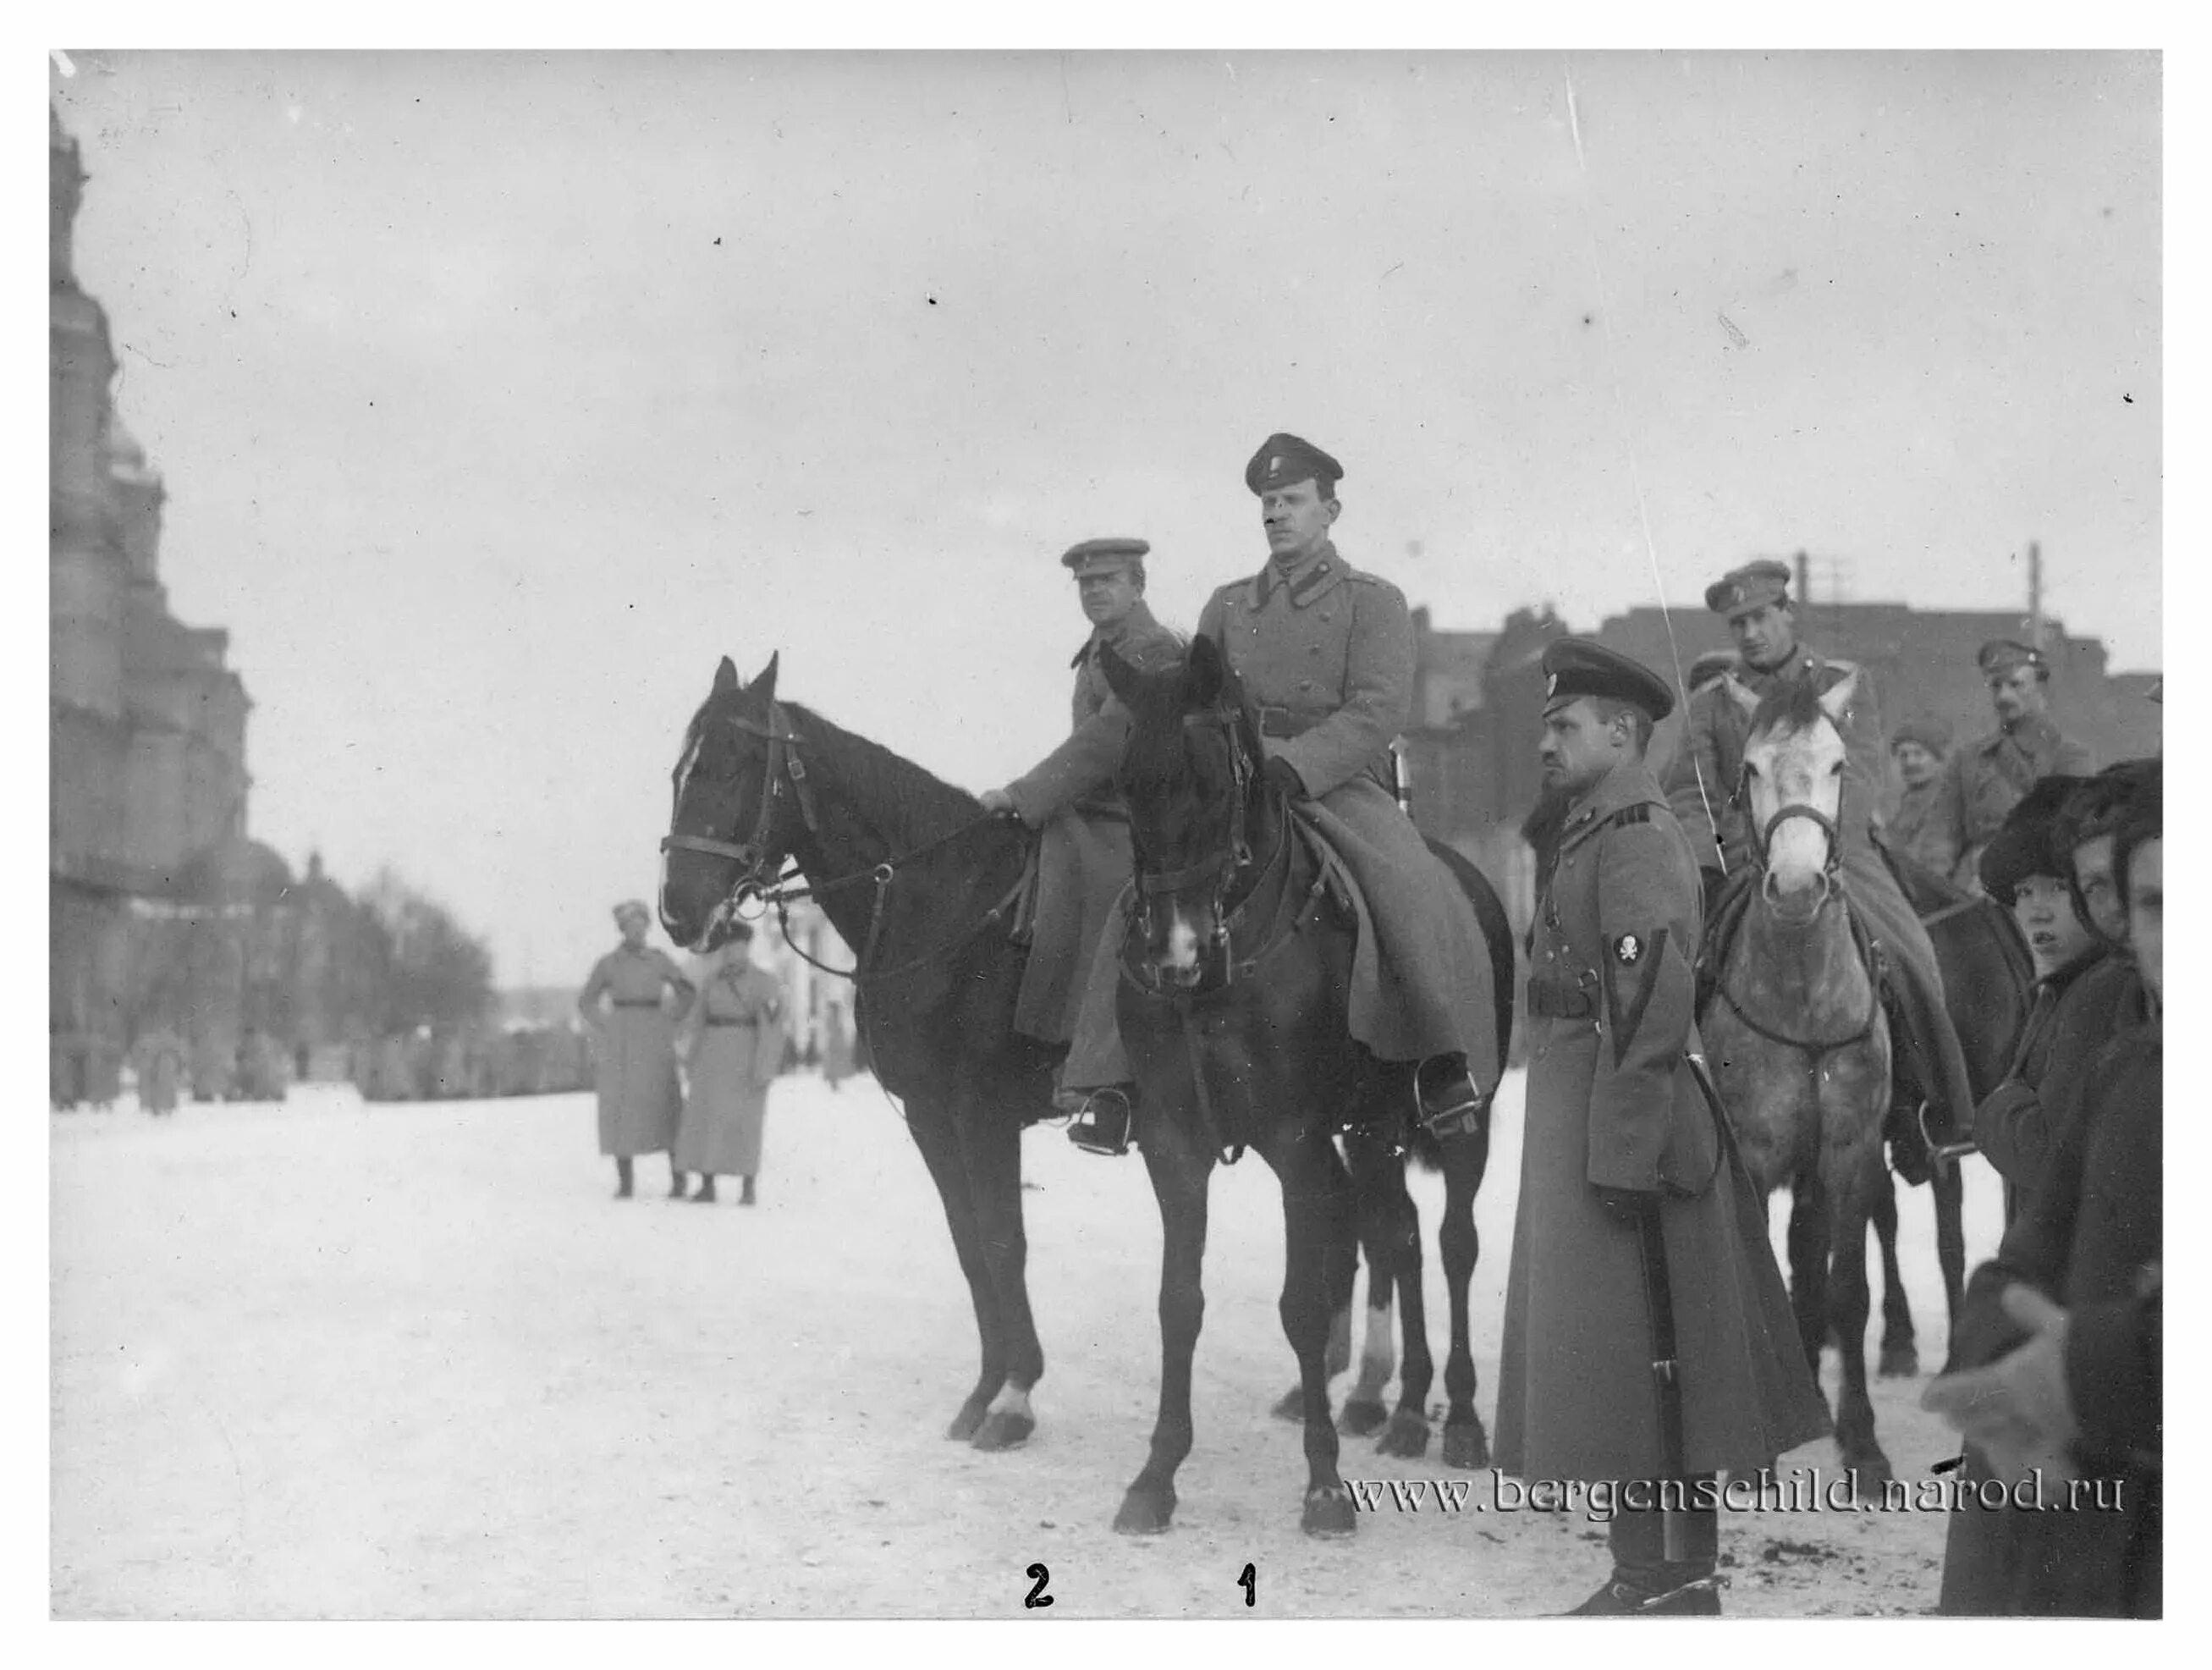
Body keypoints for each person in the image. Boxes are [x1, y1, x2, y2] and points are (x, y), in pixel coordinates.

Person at [1499, 638, 1828, 1617]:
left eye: (1565, 727)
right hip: (1587, 1105)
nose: (1548, 744)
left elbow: (1648, 999)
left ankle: (1676, 1579)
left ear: (1622, 732)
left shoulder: (1636, 830)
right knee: (1619, 1357)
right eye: (1547, 727)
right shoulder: (1589, 825)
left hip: (1628, 1116)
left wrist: (1625, 1147)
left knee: (1660, 1360)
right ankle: (1646, 1570)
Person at [1057, 433, 1498, 1149]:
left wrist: (1295, 764)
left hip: (1338, 780)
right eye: (1267, 503)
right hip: (1237, 783)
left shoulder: (1374, 601)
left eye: (1291, 501)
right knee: (1141, 896)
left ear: (1330, 510)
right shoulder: (1227, 606)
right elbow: (1183, 700)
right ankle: (1112, 1081)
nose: (1276, 514)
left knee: (1403, 879)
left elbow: (1376, 710)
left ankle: (1438, 1060)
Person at [1924, 769, 2160, 1617]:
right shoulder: (2080, 1006)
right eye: (2024, 892)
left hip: (2088, 1365)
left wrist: (1991, 1108)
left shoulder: (2099, 998)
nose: (2040, 910)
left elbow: (2049, 1152)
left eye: (2063, 890)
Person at [1662, 558, 1977, 1153]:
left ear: (1788, 612)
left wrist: (1815, 842)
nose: (1751, 633)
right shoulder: (1711, 704)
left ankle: (1934, 1106)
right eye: (1738, 624)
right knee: (1684, 971)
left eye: (1760, 617)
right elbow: (1689, 789)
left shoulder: (1841, 683)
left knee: (1910, 952)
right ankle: (1680, 1121)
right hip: (1742, 861)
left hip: (1838, 853)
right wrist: (1715, 856)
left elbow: (1857, 775)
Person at [975, 537, 1182, 1155]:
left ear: (1138, 585)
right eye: (1086, 583)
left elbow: (1107, 740)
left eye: (1109, 580)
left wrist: (1021, 792)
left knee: (1092, 885)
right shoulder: (1101, 649)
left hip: (1141, 817)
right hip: (1093, 807)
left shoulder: (1153, 650)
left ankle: (1092, 1071)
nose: (1095, 590)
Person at [1927, 639, 2094, 891]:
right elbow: (1941, 836)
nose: (2004, 696)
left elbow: (2071, 835)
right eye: (1996, 686)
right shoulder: (1968, 758)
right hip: (1972, 889)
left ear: (2041, 688)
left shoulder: (2069, 756)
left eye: (2016, 685)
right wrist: (1933, 889)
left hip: (2041, 887)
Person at [578, 900, 696, 1199]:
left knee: (666, 1103)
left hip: (655, 1037)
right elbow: (587, 1000)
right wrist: (606, 1025)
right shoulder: (608, 964)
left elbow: (686, 991)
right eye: (631, 926)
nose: (637, 931)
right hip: (621, 1042)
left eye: (641, 925)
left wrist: (673, 1017)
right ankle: (626, 1180)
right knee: (622, 1108)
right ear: (622, 930)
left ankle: (678, 1179)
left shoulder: (659, 960)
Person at [674, 923, 787, 1206]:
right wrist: (691, 1059)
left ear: (746, 948)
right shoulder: (711, 981)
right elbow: (698, 1022)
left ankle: (747, 1186)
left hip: (746, 1057)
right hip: (711, 1059)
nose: (730, 952)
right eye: (726, 947)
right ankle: (707, 1183)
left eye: (736, 946)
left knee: (745, 1124)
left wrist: (765, 1067)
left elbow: (772, 1029)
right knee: (707, 1120)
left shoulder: (765, 982)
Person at [1880, 715, 1956, 878]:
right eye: (1904, 755)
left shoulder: (1946, 801)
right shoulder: (1906, 803)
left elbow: (1936, 863)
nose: (1910, 762)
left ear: (1938, 759)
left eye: (1918, 754)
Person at [133, 1027, 188, 1116]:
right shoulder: (156, 1046)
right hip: (161, 1066)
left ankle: (162, 1108)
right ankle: (159, 1107)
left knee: (163, 1087)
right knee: (159, 1087)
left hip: (164, 1066)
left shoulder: (163, 1047)